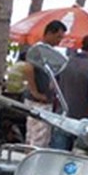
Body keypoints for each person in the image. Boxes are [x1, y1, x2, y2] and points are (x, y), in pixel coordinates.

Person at [22, 20, 67, 148]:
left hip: (45, 98)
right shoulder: (39, 50)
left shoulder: (50, 52)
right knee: (38, 135)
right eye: (58, 37)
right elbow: (28, 68)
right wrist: (34, 91)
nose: (59, 41)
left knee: (35, 133)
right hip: (38, 99)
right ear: (49, 33)